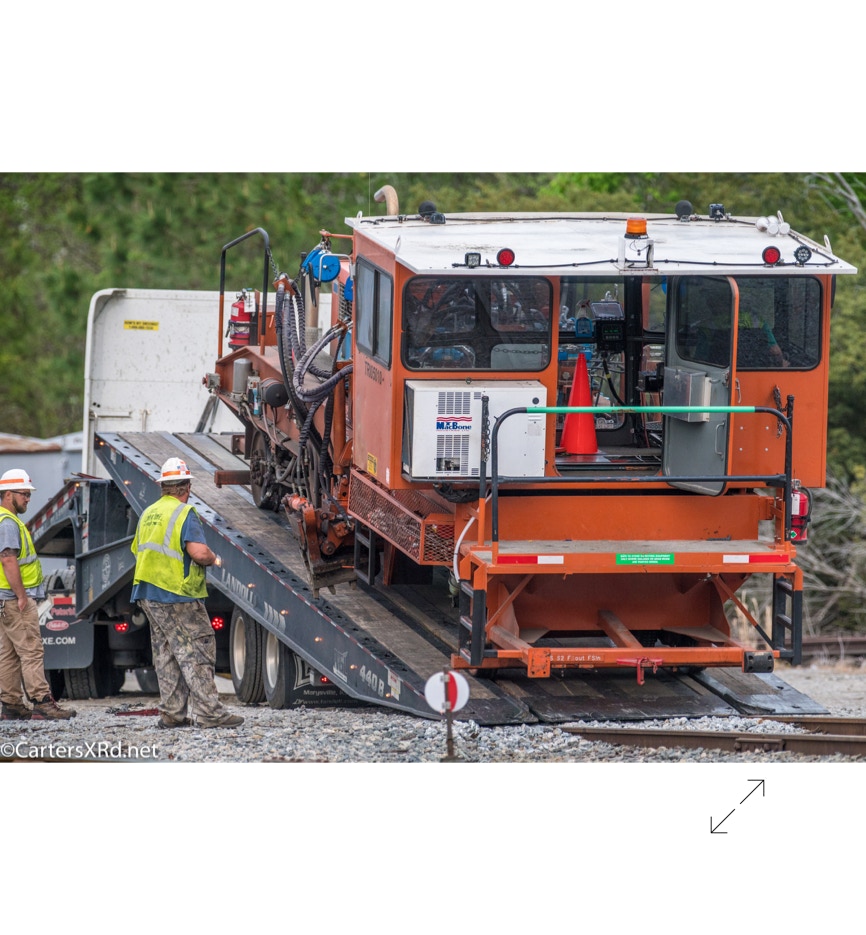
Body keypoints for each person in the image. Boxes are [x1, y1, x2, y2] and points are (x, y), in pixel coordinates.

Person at [131, 458, 243, 729]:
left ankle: (172, 714)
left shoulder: (148, 513)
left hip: (147, 592)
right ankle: (209, 714)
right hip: (177, 594)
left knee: (166, 651)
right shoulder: (184, 513)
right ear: (187, 488)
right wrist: (214, 558)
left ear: (163, 487)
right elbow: (199, 553)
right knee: (197, 648)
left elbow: (137, 549)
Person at [0, 469, 77, 720]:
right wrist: (22, 595)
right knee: (31, 650)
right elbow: (8, 560)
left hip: (4, 599)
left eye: (28, 494)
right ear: (8, 494)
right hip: (14, 599)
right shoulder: (8, 523)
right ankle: (42, 702)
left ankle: (11, 705)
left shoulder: (4, 520)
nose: (28, 498)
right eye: (24, 494)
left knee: (9, 653)